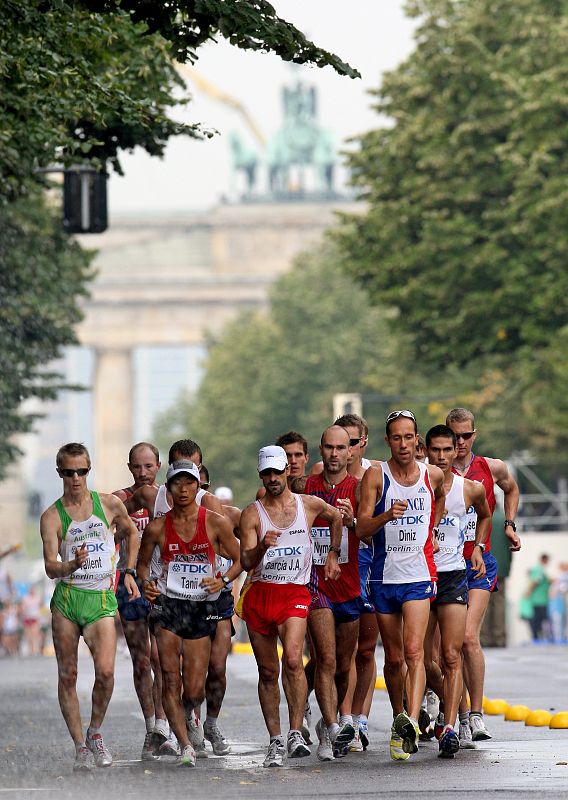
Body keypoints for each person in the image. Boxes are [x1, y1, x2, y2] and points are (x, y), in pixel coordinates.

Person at [239, 445, 343, 768]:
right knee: (268, 671)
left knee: (295, 660)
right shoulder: (252, 514)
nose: (272, 478)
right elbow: (246, 560)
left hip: (294, 593)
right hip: (261, 594)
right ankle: (275, 739)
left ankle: (295, 731)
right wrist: (261, 548)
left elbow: (336, 517)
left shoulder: (307, 504)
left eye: (277, 472)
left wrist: (333, 553)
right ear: (261, 475)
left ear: (287, 471)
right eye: (266, 473)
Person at [40, 443, 140, 771]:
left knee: (107, 672)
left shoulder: (108, 504)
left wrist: (128, 571)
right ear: (60, 473)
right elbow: (50, 567)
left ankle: (95, 732)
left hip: (100, 599)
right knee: (68, 674)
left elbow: (132, 534)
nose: (76, 478)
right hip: (68, 600)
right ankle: (80, 747)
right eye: (69, 472)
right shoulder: (51, 516)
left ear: (88, 470)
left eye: (81, 471)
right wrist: (71, 565)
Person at [137, 460, 242, 768]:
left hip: (201, 607)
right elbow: (142, 565)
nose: (183, 489)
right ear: (168, 488)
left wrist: (222, 580)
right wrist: (146, 584)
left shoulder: (215, 522)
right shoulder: (157, 527)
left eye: (189, 483)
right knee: (170, 677)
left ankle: (186, 715)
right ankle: (185, 744)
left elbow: (240, 559)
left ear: (198, 487)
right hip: (168, 606)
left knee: (195, 688)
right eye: (177, 483)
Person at [357, 410, 445, 761]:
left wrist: (431, 531)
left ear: (417, 439)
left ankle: (410, 718)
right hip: (384, 577)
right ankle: (399, 718)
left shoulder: (432, 475)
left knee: (414, 652)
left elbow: (438, 502)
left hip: (419, 576)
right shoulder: (375, 476)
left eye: (409, 437)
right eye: (397, 438)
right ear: (388, 441)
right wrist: (386, 515)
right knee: (394, 660)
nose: (404, 444)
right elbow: (361, 529)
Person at [446, 407, 521, 741]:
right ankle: (458, 713)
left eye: (466, 435)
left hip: (479, 561)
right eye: (454, 436)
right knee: (445, 651)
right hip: (445, 565)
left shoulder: (492, 467)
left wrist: (509, 524)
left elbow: (512, 489)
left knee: (467, 638)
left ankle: (476, 716)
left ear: (474, 435)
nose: (460, 442)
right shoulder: (435, 470)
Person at [292, 426, 360, 760]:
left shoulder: (359, 488)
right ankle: (332, 728)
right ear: (320, 450)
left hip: (348, 585)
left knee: (343, 667)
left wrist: (354, 522)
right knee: (326, 659)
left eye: (340, 448)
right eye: (329, 447)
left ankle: (325, 722)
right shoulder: (305, 487)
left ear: (350, 451)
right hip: (315, 584)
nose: (334, 454)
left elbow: (372, 533)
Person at [424, 425, 491, 758]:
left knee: (452, 655)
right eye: (435, 450)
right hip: (420, 576)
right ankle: (457, 707)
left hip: (452, 575)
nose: (441, 456)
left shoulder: (470, 489)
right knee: (423, 660)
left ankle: (451, 726)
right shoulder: (415, 485)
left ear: (455, 452)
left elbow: (486, 516)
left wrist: (477, 547)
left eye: (446, 450)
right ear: (426, 451)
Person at [113, 442, 167, 759]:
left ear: (159, 466)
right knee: (142, 660)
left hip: (160, 584)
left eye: (149, 466)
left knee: (162, 658)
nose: (143, 472)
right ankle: (151, 728)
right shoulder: (119, 500)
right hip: (128, 583)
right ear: (129, 467)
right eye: (137, 466)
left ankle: (164, 724)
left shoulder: (167, 498)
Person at [525, 554, 551, 642]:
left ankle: (537, 637)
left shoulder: (539, 569)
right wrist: (529, 591)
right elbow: (536, 581)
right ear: (544, 560)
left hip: (540, 599)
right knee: (539, 620)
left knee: (538, 620)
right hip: (539, 600)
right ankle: (536, 638)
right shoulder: (539, 569)